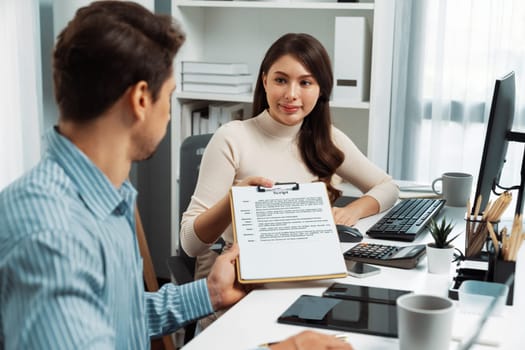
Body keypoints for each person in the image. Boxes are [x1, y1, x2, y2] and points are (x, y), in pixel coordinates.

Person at [0, 2, 352, 350]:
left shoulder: (106, 197)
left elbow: (119, 316)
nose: (169, 113)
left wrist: (210, 294)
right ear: (141, 100)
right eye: (169, 96)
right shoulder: (50, 233)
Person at [180, 33, 399, 283]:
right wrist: (234, 199)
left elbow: (388, 187)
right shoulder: (232, 138)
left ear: (321, 89)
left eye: (305, 83)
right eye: (281, 80)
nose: (291, 94)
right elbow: (189, 244)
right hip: (243, 280)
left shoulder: (327, 138)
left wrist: (353, 210)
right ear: (265, 81)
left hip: (310, 272)